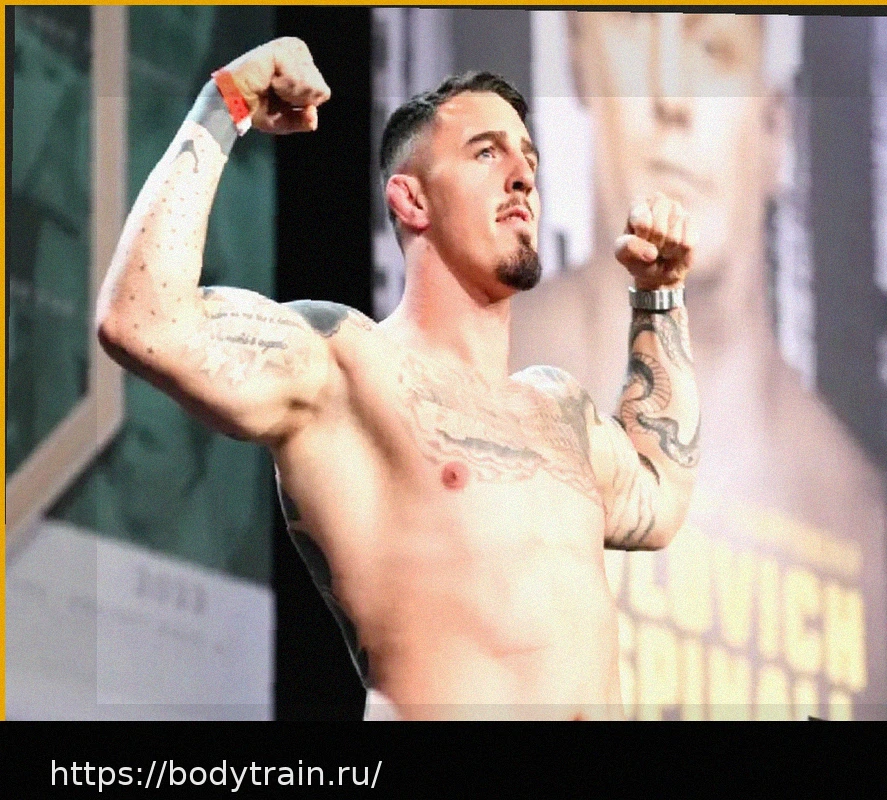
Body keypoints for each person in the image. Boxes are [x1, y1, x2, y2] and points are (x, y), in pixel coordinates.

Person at [96, 37, 701, 720]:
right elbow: (141, 320)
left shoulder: (561, 411)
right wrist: (226, 100)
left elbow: (660, 494)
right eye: (487, 153)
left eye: (529, 159)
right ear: (411, 200)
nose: (523, 177)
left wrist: (660, 295)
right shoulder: (347, 365)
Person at [510, 12, 887, 719]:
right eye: (634, 30)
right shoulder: (486, 369)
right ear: (577, 59)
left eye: (713, 49)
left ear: (774, 126)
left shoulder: (852, 506)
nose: (672, 100)